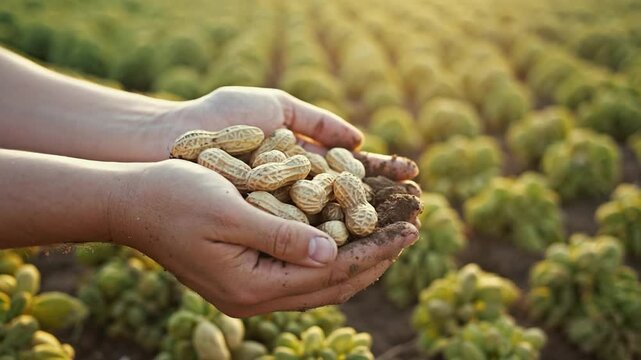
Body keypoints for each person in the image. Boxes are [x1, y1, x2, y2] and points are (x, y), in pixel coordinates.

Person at [0, 47, 419, 317]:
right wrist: (121, 204)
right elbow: (268, 176)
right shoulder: (272, 166)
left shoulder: (311, 179)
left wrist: (157, 127)